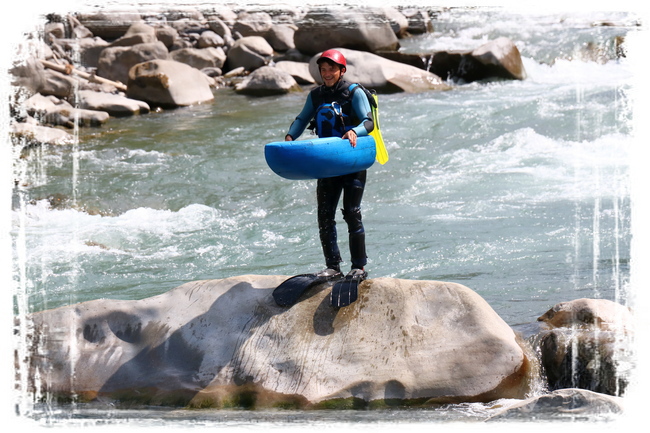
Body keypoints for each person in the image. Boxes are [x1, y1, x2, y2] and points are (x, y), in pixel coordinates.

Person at [285, 49, 374, 283]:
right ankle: (333, 266)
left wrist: (355, 130)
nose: (326, 74)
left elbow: (368, 121)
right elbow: (303, 119)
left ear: (341, 70)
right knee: (324, 215)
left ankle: (359, 267)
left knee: (351, 213)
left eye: (331, 69)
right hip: (327, 163)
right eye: (323, 70)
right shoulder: (315, 95)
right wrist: (289, 138)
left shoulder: (353, 92)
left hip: (351, 160)